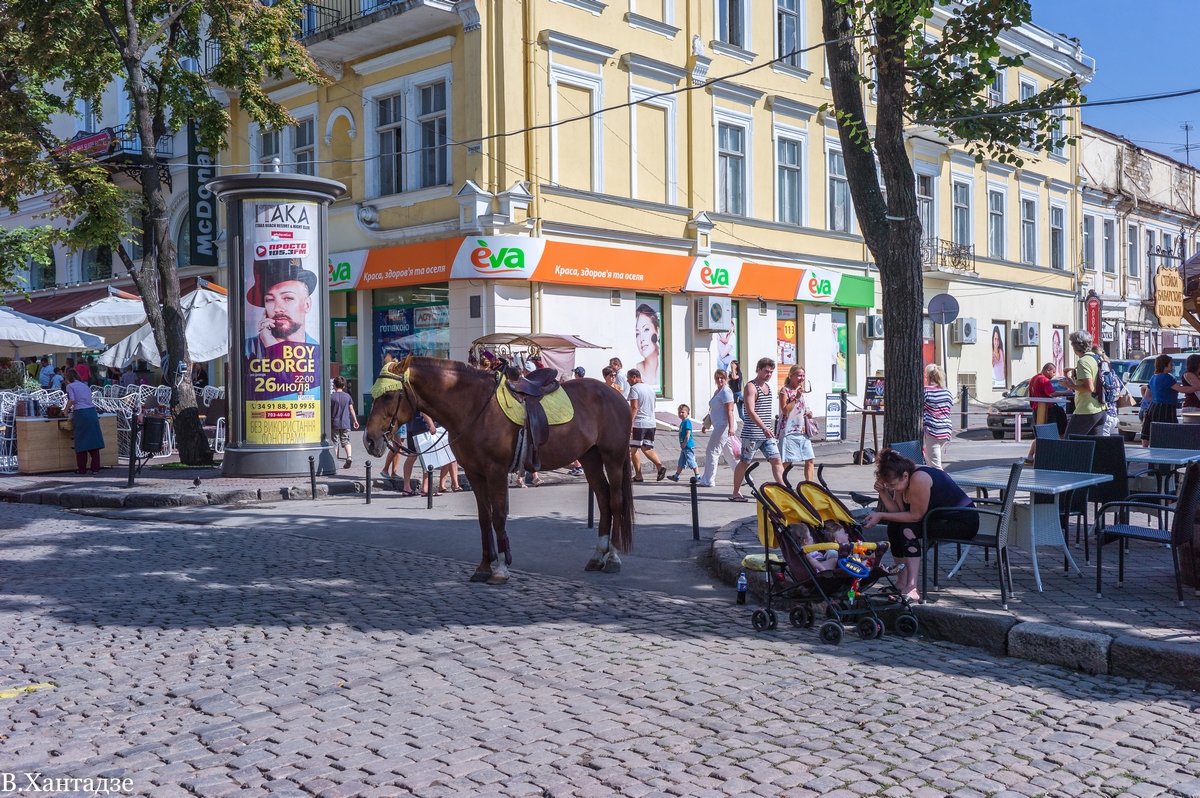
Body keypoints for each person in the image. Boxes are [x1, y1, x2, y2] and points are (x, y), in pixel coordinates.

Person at [864, 448, 978, 602]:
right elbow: (898, 512)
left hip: (962, 522)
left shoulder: (919, 478)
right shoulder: (903, 478)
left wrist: (881, 514)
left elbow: (915, 516)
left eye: (892, 485)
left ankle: (912, 588)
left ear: (905, 476)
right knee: (894, 526)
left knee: (908, 529)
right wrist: (883, 492)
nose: (891, 489)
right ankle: (901, 582)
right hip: (938, 518)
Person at [730, 357, 785, 502]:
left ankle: (783, 490)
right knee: (744, 462)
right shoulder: (751, 387)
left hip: (767, 434)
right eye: (766, 371)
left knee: (776, 461)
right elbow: (750, 410)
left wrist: (769, 429)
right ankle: (736, 492)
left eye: (771, 372)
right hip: (752, 434)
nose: (769, 374)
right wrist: (764, 427)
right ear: (759, 369)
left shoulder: (767, 387)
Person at [1060, 331, 1109, 436]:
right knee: (1094, 446)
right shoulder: (1096, 358)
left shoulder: (1083, 361)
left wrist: (1068, 385)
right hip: (1101, 408)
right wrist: (1069, 378)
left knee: (1069, 442)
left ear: (1075, 346)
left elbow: (1089, 387)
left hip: (1086, 410)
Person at [699, 369, 738, 488]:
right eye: (717, 378)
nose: (719, 380)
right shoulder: (718, 391)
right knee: (729, 454)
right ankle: (743, 476)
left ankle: (708, 480)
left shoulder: (726, 392)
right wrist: (707, 424)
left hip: (724, 426)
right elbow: (714, 410)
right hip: (719, 425)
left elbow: (730, 411)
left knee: (712, 451)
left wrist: (731, 428)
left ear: (726, 379)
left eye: (722, 378)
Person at [626, 368, 667, 482]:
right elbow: (653, 406)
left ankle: (638, 475)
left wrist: (629, 423)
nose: (627, 380)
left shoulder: (634, 389)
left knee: (634, 449)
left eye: (628, 378)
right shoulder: (650, 388)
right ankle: (660, 466)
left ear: (634, 377)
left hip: (639, 423)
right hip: (651, 422)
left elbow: (634, 407)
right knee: (646, 448)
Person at [778, 364, 816, 482]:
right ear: (791, 376)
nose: (802, 378)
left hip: (802, 430)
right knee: (787, 462)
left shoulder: (801, 391)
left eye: (803, 375)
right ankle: (782, 485)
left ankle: (809, 486)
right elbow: (785, 410)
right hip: (789, 431)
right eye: (799, 375)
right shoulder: (785, 391)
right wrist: (796, 398)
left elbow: (804, 408)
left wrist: (809, 413)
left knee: (810, 460)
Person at [63, 368, 105, 474]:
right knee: (93, 442)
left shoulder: (70, 386)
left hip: (81, 414)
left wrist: (65, 411)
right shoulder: (85, 385)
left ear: (68, 378)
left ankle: (82, 469)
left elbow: (72, 399)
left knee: (81, 442)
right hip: (92, 412)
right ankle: (95, 468)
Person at [1140, 353, 1184, 447]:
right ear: (1165, 365)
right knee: (1168, 435)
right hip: (1166, 409)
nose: (1172, 366)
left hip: (1153, 408)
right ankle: (1165, 457)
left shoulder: (1153, 377)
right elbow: (1181, 389)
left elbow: (1146, 393)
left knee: (1148, 434)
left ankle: (1149, 457)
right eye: (1171, 364)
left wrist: (1145, 407)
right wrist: (1195, 387)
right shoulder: (1168, 377)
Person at [1025, 362, 1065, 463]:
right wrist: (1066, 392)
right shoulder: (1044, 379)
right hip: (1046, 409)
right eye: (1053, 372)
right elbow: (1051, 393)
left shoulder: (1034, 378)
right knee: (1053, 432)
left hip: (1036, 409)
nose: (1054, 375)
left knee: (1040, 433)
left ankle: (1030, 456)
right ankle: (1052, 457)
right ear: (1048, 370)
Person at [922, 364, 954, 469]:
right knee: (929, 458)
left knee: (936, 465)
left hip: (933, 430)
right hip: (946, 429)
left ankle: (944, 484)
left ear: (928, 377)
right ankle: (932, 483)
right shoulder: (947, 392)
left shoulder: (926, 391)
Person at [330, 376, 359, 469]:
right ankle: (349, 457)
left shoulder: (331, 397)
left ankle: (334, 461)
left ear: (334, 385)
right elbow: (351, 409)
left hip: (334, 423)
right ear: (344, 386)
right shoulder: (347, 396)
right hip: (346, 422)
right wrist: (355, 420)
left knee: (335, 442)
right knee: (346, 440)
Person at [633, 303, 661, 391]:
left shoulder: (663, 371)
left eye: (646, 329)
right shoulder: (636, 371)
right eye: (637, 334)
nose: (641, 338)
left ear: (657, 331)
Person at [667, 404, 698, 482]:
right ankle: (676, 476)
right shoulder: (683, 422)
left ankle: (697, 475)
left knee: (691, 460)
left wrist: (684, 443)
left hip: (687, 446)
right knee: (681, 462)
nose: (680, 414)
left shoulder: (687, 422)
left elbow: (688, 433)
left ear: (687, 413)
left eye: (682, 412)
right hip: (684, 446)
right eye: (679, 412)